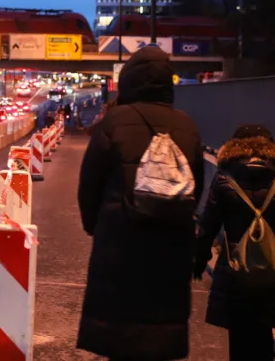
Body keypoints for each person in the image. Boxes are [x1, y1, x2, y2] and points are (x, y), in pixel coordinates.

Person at [77, 45, 206, 360]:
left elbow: (89, 185)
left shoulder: (115, 122)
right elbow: (196, 188)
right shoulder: (187, 127)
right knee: (160, 334)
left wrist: (96, 226)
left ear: (129, 82)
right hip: (171, 249)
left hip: (120, 247)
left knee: (121, 336)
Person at [194, 125, 275, 361]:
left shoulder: (224, 178)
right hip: (274, 270)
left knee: (239, 333)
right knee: (263, 329)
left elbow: (208, 225)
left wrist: (199, 259)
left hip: (235, 269)